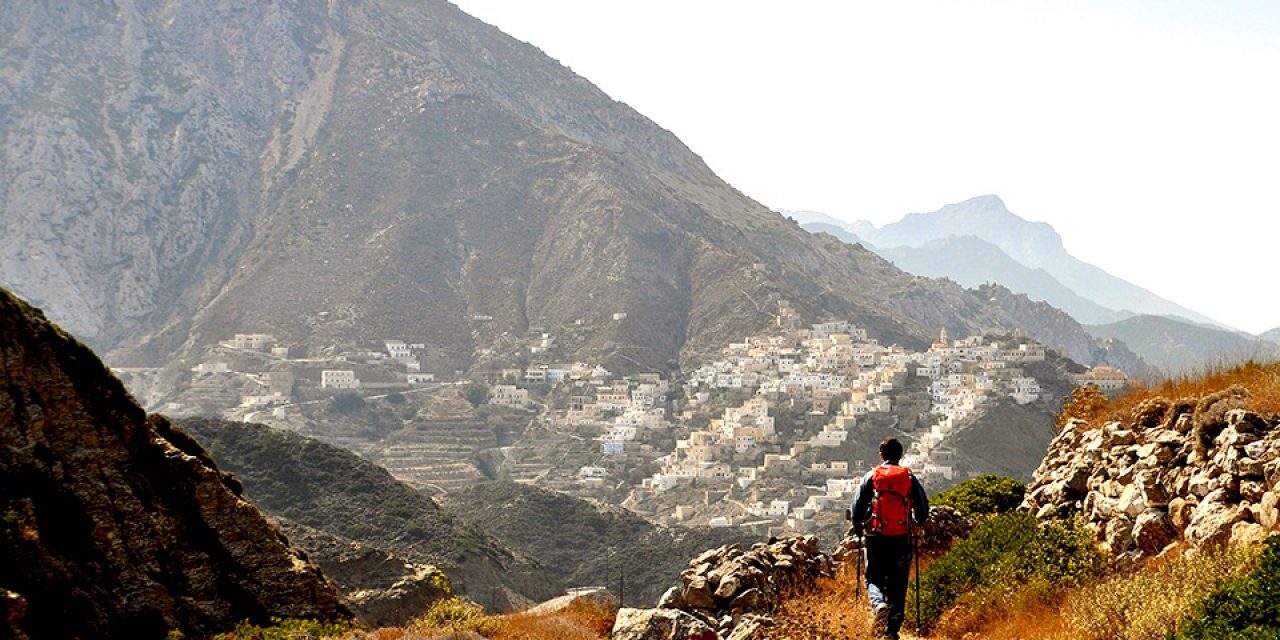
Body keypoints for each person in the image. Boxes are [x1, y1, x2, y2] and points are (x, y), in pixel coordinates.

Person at [849, 437, 929, 640]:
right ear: (900, 456)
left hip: (876, 536)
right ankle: (892, 631)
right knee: (898, 583)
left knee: (873, 577)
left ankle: (879, 605)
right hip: (902, 537)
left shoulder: (872, 476)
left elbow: (856, 507)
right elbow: (923, 509)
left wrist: (858, 527)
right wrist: (915, 522)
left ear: (881, 455)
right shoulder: (908, 478)